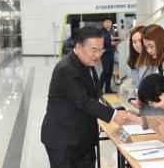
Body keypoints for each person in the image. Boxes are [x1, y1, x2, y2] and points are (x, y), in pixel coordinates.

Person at [41, 26, 130, 168]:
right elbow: (84, 101)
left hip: (83, 138)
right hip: (63, 140)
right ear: (79, 47)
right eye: (94, 50)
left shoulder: (86, 63)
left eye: (101, 50)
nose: (98, 55)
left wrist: (110, 109)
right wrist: (113, 115)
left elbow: (94, 95)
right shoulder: (66, 69)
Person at [126, 26, 164, 116]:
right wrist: (132, 99)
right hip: (143, 111)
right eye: (134, 42)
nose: (137, 44)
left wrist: (142, 98)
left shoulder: (156, 59)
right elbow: (133, 84)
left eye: (140, 41)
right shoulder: (135, 61)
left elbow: (158, 87)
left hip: (158, 111)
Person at [99, 19, 118, 93]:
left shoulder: (112, 31)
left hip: (112, 53)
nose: (108, 24)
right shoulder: (101, 32)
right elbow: (101, 42)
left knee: (110, 72)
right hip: (105, 54)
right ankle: (99, 89)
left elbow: (114, 39)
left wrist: (116, 43)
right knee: (105, 71)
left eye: (110, 22)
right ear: (103, 23)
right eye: (106, 22)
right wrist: (110, 43)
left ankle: (108, 89)